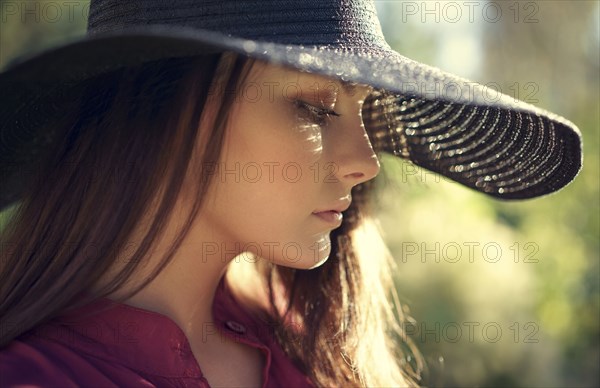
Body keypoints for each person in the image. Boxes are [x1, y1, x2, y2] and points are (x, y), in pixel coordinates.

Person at [0, 1, 583, 387]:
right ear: (167, 108)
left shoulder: (312, 357)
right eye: (315, 106)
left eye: (366, 113)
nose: (366, 162)